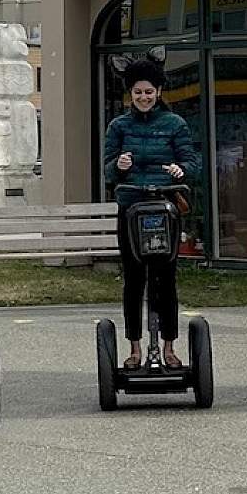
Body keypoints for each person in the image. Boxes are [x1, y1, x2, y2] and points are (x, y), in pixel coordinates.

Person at [101, 56, 202, 371]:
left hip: (164, 207)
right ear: (130, 94)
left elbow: (192, 164)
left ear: (158, 91)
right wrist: (118, 167)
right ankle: (134, 349)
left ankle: (169, 347)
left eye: (149, 92)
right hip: (131, 207)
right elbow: (107, 170)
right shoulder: (119, 126)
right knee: (133, 279)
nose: (143, 98)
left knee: (165, 279)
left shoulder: (175, 124)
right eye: (137, 93)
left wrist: (179, 170)